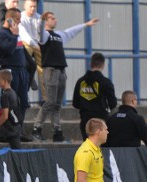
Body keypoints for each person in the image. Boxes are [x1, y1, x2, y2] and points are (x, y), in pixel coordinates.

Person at [32, 13, 99, 142]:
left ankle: (57, 131)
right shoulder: (45, 36)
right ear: (46, 21)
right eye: (52, 18)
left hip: (61, 71)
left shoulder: (58, 35)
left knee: (57, 105)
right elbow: (40, 31)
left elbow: (71, 31)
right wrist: (40, 20)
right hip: (50, 70)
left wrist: (86, 24)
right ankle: (36, 128)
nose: (55, 20)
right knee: (49, 102)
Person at [72, 52, 117, 140]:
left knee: (89, 148)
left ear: (91, 64)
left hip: (85, 121)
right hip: (102, 121)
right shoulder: (106, 82)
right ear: (103, 65)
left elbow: (75, 103)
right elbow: (113, 104)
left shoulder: (80, 81)